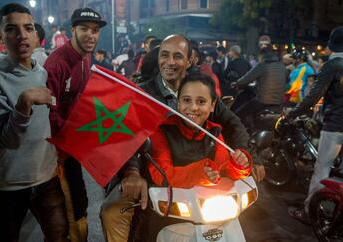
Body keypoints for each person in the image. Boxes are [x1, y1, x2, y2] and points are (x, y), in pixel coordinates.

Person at [100, 34, 263, 242]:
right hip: (152, 172)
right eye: (164, 55)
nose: (170, 62)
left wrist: (248, 158)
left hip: (199, 180)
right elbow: (129, 135)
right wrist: (132, 172)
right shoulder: (142, 94)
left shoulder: (199, 87)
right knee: (112, 213)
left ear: (189, 61)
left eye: (177, 57)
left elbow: (232, 124)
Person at [0, 3, 69, 241]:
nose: (21, 35)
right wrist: (25, 101)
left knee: (59, 236)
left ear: (35, 34)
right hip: (9, 183)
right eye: (12, 29)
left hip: (47, 177)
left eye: (28, 28)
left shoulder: (42, 72)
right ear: (1, 37)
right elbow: (8, 139)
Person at [44, 7, 106, 242]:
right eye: (84, 29)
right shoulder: (57, 63)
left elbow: (82, 99)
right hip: (55, 152)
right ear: (73, 30)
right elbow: (48, 112)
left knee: (80, 202)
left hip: (71, 147)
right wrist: (71, 137)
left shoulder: (85, 58)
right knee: (68, 209)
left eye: (95, 30)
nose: (91, 35)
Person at [149, 72, 252, 188]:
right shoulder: (163, 130)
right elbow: (161, 175)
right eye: (187, 100)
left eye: (201, 102)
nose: (193, 108)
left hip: (207, 201)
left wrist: (238, 165)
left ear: (212, 106)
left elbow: (223, 169)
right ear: (178, 103)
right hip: (171, 201)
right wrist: (201, 174)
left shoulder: (214, 132)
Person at [286, 26, 343, 223]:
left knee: (322, 168)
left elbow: (313, 96)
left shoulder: (333, 65)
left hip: (335, 125)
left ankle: (310, 211)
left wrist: (293, 114)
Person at [231, 47, 287, 130]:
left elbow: (246, 79)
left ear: (261, 56)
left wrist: (235, 84)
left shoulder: (263, 65)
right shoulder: (282, 66)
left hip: (263, 101)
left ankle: (242, 134)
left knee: (237, 115)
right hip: (279, 103)